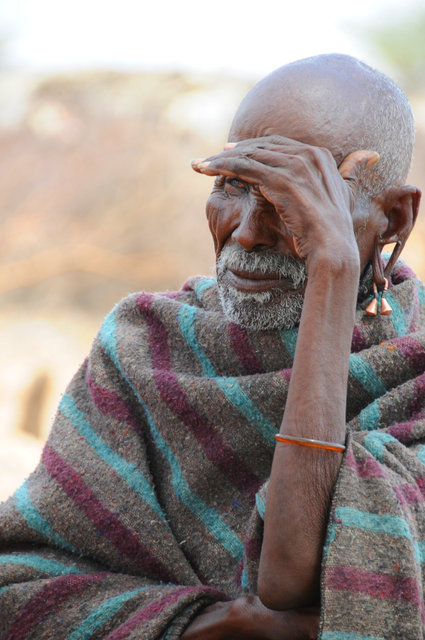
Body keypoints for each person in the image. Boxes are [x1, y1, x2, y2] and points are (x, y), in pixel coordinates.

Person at [0, 53, 424, 640]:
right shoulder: (144, 346)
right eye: (233, 185)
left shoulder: (416, 376)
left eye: (297, 199)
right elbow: (21, 585)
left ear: (394, 217)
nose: (246, 231)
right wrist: (218, 623)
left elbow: (289, 580)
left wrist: (333, 267)